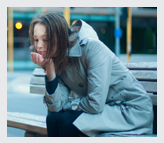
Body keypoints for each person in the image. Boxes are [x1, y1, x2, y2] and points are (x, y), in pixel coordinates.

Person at [29, 12, 154, 137]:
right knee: (53, 118)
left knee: (67, 121)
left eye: (45, 39)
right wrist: (50, 68)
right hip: (104, 109)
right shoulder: (57, 57)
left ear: (60, 37)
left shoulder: (92, 47)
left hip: (130, 110)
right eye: (36, 39)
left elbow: (95, 104)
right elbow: (56, 107)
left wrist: (67, 105)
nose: (39, 46)